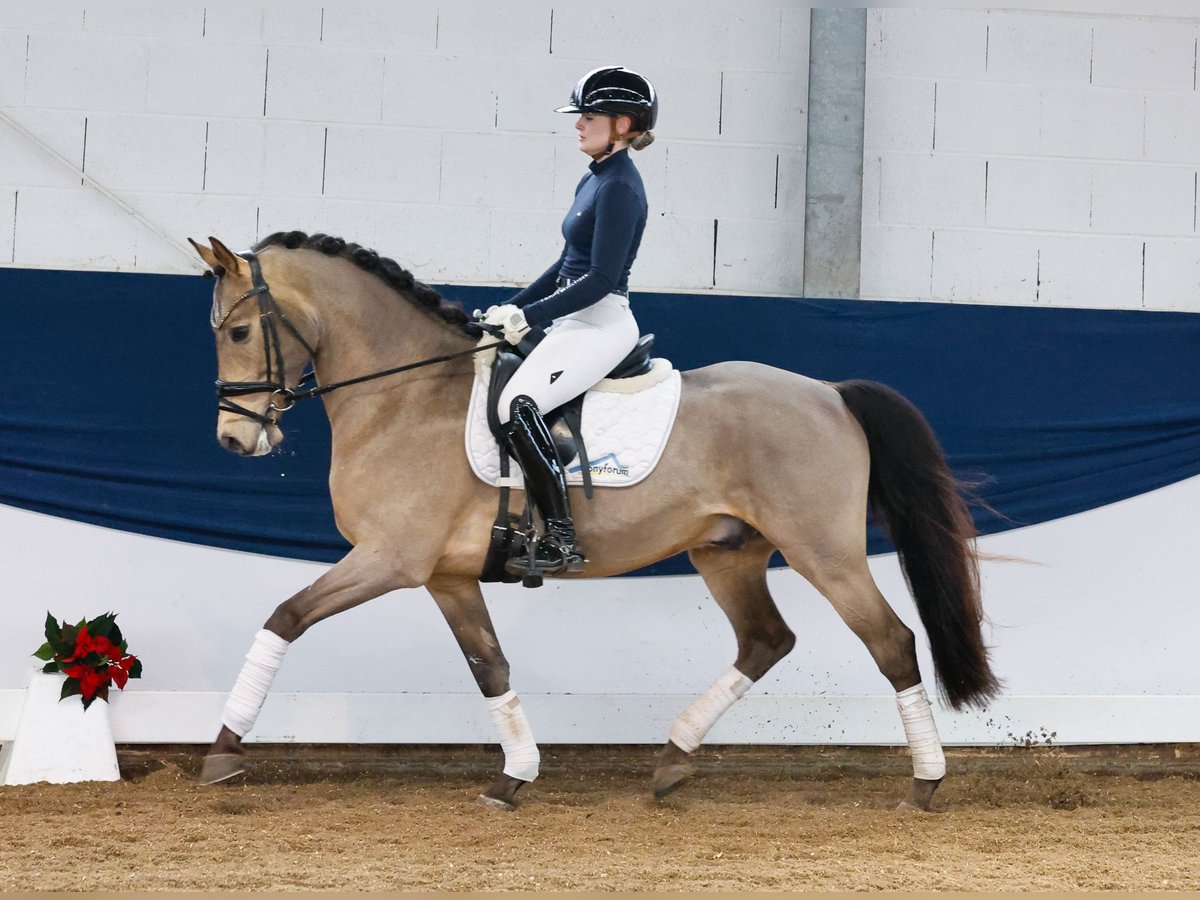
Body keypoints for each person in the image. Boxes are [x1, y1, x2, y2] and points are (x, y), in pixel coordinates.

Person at [480, 65, 658, 578]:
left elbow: (601, 277)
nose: (578, 125)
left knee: (518, 405)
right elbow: (564, 266)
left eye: (589, 116)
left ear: (623, 124)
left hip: (600, 324)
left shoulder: (621, 186)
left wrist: (529, 317)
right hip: (571, 321)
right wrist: (510, 309)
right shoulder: (595, 178)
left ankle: (561, 537)